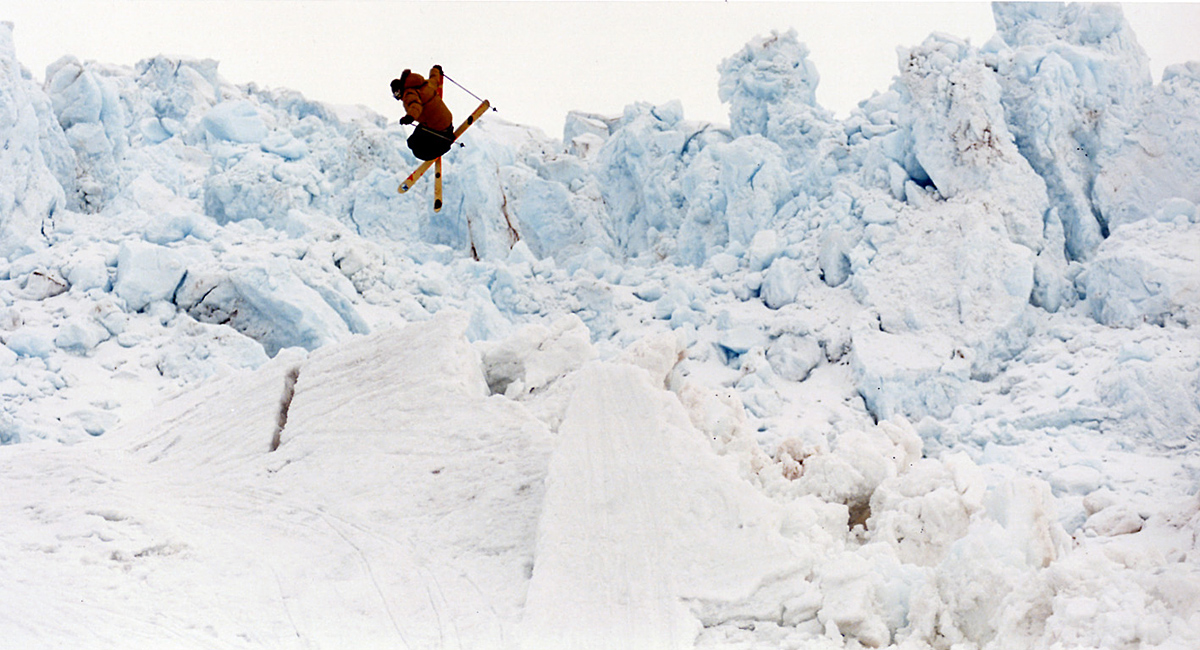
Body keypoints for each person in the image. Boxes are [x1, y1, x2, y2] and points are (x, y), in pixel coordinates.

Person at [391, 66, 455, 161]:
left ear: (399, 90)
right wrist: (436, 70)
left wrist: (409, 117)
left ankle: (445, 144)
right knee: (414, 137)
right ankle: (445, 139)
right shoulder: (425, 84)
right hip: (447, 122)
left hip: (438, 128)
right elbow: (434, 80)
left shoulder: (408, 94)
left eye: (397, 94)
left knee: (415, 147)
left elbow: (415, 105)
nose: (398, 98)